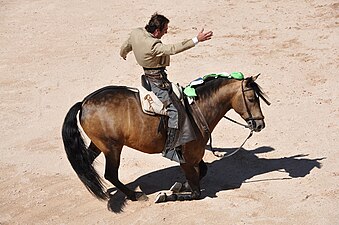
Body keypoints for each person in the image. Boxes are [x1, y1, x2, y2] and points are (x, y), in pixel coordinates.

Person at [120, 13, 213, 163]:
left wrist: (123, 52)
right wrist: (197, 39)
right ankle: (170, 149)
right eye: (164, 30)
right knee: (175, 111)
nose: (166, 32)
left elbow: (127, 44)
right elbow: (173, 49)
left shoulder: (136, 32)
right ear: (157, 31)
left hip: (147, 76)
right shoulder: (154, 44)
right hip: (157, 82)